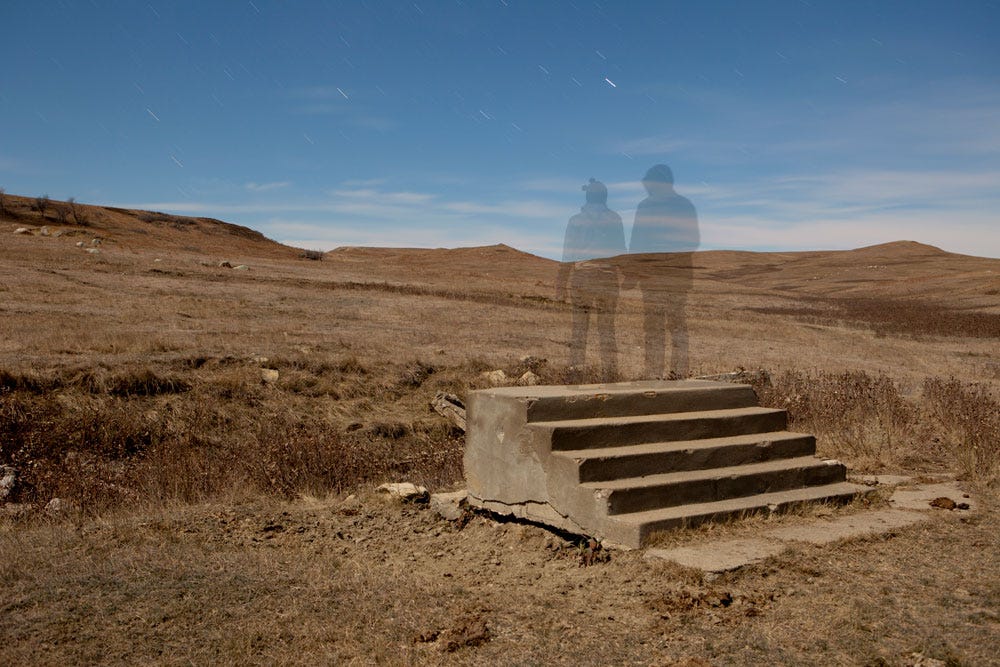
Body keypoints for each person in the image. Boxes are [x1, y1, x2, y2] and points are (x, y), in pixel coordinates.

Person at [627, 164, 699, 379]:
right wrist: (634, 272)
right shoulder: (644, 206)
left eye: (649, 182)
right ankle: (653, 374)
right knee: (652, 326)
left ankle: (678, 374)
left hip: (675, 277)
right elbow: (636, 242)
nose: (646, 187)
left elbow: (692, 240)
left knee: (676, 325)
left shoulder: (684, 205)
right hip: (650, 278)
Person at [555, 178, 626, 382]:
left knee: (579, 330)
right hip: (607, 279)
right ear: (605, 197)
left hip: (582, 278)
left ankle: (575, 376)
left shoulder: (576, 220)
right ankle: (610, 376)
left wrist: (561, 285)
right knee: (607, 330)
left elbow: (567, 254)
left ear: (587, 197)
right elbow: (621, 250)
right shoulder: (615, 219)